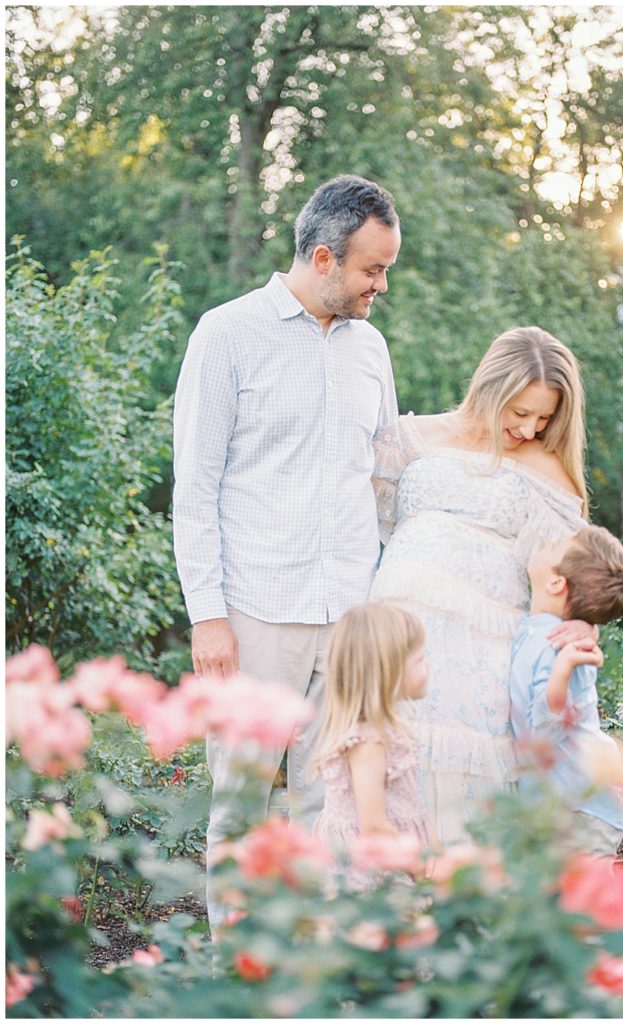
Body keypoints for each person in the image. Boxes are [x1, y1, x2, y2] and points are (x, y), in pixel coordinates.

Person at [172, 175, 401, 927]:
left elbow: (387, 477)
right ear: (326, 258)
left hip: (348, 620)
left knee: (327, 807)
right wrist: (208, 616)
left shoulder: (370, 349)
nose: (381, 286)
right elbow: (195, 487)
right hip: (254, 612)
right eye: (372, 270)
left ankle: (310, 984)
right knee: (238, 811)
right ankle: (229, 982)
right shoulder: (228, 334)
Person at [371, 326, 595, 845]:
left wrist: (581, 619)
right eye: (519, 412)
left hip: (484, 656)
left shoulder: (543, 464)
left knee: (466, 789)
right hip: (399, 637)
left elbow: (577, 566)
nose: (530, 427)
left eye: (544, 417)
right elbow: (359, 528)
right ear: (489, 388)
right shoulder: (414, 439)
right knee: (390, 771)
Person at [509, 524, 623, 856]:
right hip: (566, 804)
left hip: (582, 809)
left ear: (557, 583)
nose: (546, 539)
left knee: (580, 905)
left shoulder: (567, 648)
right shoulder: (541, 630)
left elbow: (544, 730)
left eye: (554, 542)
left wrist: (562, 670)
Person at [312, 603, 430, 889]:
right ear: (387, 673)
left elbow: (414, 804)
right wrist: (423, 872)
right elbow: (374, 826)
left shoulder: (384, 731)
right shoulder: (368, 744)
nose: (428, 665)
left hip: (396, 855)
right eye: (420, 659)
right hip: (371, 875)